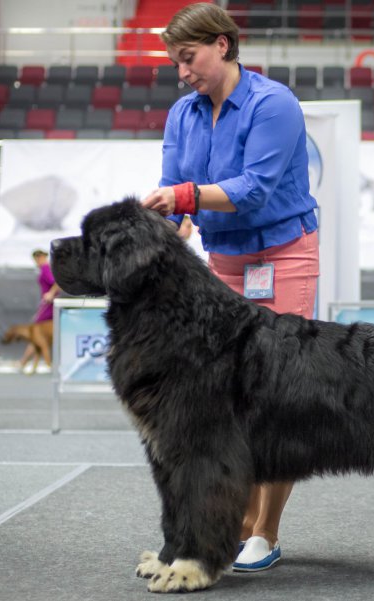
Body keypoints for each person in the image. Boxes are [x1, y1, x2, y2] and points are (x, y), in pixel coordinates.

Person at [142, 2, 319, 572]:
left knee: (281, 396)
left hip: (285, 255)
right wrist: (154, 236)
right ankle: (235, 524)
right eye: (175, 63)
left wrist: (186, 199)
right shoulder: (181, 113)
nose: (182, 72)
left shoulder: (275, 104)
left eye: (188, 58)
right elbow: (171, 193)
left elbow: (255, 189)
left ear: (222, 44)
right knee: (225, 402)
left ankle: (266, 531)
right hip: (225, 261)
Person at [18, 249, 60, 371]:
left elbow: (56, 283)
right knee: (38, 335)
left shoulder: (46, 269)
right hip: (47, 306)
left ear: (40, 257)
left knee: (36, 334)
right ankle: (25, 361)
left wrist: (50, 294)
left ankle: (25, 361)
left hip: (48, 307)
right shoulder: (46, 268)